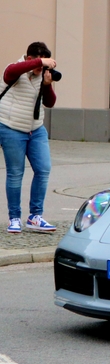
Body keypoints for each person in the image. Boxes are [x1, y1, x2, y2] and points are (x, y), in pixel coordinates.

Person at [0, 42, 58, 233]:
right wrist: (41, 61)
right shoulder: (14, 69)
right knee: (15, 174)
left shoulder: (41, 76)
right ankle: (14, 218)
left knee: (43, 169)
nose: (41, 69)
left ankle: (35, 216)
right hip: (11, 128)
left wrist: (47, 85)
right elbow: (11, 73)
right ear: (29, 58)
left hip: (36, 129)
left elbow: (50, 103)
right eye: (38, 64)